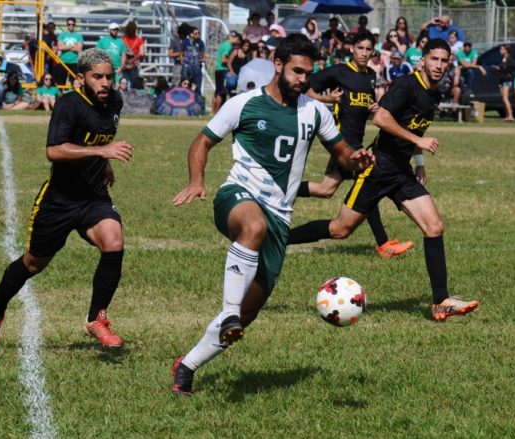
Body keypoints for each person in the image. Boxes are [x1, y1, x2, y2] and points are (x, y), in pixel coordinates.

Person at [169, 34, 374, 397]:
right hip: (238, 197)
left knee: (248, 315)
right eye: (297, 71)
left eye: (308, 74)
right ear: (278, 65)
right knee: (253, 226)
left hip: (280, 218)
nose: (303, 79)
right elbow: (202, 141)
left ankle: (187, 366)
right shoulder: (243, 104)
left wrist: (354, 160)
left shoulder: (315, 112)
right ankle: (229, 309)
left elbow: (343, 153)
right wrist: (197, 180)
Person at [291, 38, 479, 322]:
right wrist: (419, 141)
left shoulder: (434, 93)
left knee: (434, 226)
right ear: (423, 60)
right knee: (341, 230)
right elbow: (380, 118)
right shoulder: (407, 84)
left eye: (444, 60)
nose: (439, 65)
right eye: (434, 59)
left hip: (401, 171)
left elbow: (415, 126)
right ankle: (281, 238)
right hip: (378, 169)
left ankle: (441, 301)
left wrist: (418, 162)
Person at [0, 48, 132, 349]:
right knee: (33, 264)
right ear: (81, 78)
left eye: (109, 77)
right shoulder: (68, 105)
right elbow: (54, 150)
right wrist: (102, 153)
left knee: (114, 242)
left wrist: (106, 162)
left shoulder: (114, 101)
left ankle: (95, 319)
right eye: (97, 77)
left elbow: (100, 136)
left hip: (94, 196)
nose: (104, 83)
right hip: (59, 200)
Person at [289, 30, 413, 258]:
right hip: (342, 142)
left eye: (369, 49)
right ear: (352, 49)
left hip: (355, 141)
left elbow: (362, 108)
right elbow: (306, 86)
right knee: (369, 181)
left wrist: (373, 108)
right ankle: (384, 244)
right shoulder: (339, 72)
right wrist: (327, 99)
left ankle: (283, 189)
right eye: (360, 48)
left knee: (325, 189)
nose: (364, 53)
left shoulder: (371, 77)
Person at [492, 44, 515, 122]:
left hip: (506, 80)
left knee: (505, 98)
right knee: (503, 98)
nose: (500, 51)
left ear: (506, 50)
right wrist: (498, 68)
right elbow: (503, 68)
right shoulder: (503, 59)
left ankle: (511, 116)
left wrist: (509, 71)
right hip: (502, 79)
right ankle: (507, 115)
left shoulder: (508, 59)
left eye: (502, 49)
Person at [213, 31, 239, 113]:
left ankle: (216, 110)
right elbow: (223, 59)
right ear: (234, 38)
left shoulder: (224, 43)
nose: (238, 41)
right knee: (222, 91)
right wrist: (233, 61)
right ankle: (217, 111)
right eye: (237, 39)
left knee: (218, 91)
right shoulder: (228, 45)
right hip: (222, 70)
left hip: (218, 70)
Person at [55, 17, 84, 86]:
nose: (71, 26)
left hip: (74, 61)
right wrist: (73, 46)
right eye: (69, 24)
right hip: (63, 61)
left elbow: (79, 49)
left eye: (72, 24)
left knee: (75, 82)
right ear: (67, 25)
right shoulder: (62, 35)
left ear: (75, 25)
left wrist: (66, 47)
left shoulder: (78, 36)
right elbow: (60, 47)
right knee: (61, 82)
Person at [121, 20, 144, 90]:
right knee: (134, 85)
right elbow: (142, 53)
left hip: (124, 65)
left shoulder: (122, 38)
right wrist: (133, 59)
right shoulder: (139, 40)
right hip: (134, 65)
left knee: (123, 84)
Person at [181, 27, 205, 94]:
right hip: (186, 67)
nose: (198, 35)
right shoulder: (185, 42)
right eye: (196, 33)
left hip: (196, 67)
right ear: (191, 34)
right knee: (185, 85)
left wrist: (202, 59)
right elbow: (181, 53)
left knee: (197, 87)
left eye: (198, 33)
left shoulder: (200, 42)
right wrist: (182, 62)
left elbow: (202, 54)